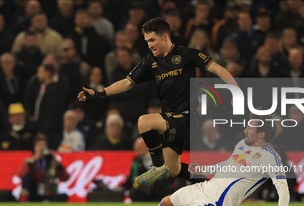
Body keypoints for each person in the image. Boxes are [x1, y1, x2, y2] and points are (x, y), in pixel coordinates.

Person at [78, 17, 240, 185]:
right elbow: (126, 83)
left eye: (152, 40)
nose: (149, 45)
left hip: (188, 118)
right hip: (170, 120)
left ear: (164, 36)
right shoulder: (150, 62)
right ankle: (212, 186)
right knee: (174, 169)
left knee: (144, 122)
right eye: (147, 41)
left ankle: (157, 166)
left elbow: (218, 69)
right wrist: (99, 93)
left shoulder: (187, 54)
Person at [129, 114, 289, 206]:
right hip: (205, 188)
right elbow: (228, 165)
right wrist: (204, 169)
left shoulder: (271, 158)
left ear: (261, 135)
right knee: (166, 203)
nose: (245, 130)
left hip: (217, 204)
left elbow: (283, 190)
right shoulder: (242, 145)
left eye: (250, 128)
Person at [17, 135, 70, 202]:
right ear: (34, 147)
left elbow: (65, 178)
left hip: (48, 193)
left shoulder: (51, 161)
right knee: (28, 176)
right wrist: (33, 159)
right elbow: (20, 175)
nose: (41, 148)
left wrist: (56, 163)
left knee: (64, 196)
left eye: (44, 145)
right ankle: (24, 199)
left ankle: (47, 201)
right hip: (34, 192)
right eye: (39, 145)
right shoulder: (29, 161)